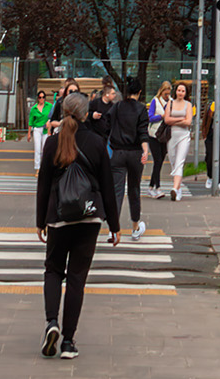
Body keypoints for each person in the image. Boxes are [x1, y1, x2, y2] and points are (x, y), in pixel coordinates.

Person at [35, 93, 116, 361]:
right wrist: (114, 225)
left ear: (63, 110)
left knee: (53, 270)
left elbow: (44, 184)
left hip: (58, 217)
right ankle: (68, 342)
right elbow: (107, 186)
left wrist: (40, 221)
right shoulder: (96, 143)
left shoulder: (52, 142)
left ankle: (51, 323)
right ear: (84, 113)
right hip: (89, 217)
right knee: (77, 278)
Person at [105, 90, 150, 241]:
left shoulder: (117, 107)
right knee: (134, 189)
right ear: (138, 93)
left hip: (118, 153)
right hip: (135, 154)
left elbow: (107, 123)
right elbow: (143, 132)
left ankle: (113, 230)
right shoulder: (142, 108)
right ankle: (135, 227)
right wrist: (145, 150)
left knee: (117, 191)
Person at [162, 84, 194, 204]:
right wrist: (180, 120)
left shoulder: (188, 105)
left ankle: (174, 188)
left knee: (179, 162)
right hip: (171, 136)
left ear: (186, 93)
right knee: (173, 161)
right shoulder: (170, 104)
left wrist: (174, 121)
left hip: (184, 136)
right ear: (175, 92)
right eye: (179, 90)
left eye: (183, 91)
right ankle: (178, 188)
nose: (180, 93)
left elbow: (189, 121)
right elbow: (167, 120)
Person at [145, 88, 171, 199]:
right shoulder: (155, 101)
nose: (167, 96)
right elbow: (150, 117)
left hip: (164, 135)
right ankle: (157, 187)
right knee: (158, 160)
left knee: (159, 162)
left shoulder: (171, 101)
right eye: (165, 94)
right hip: (154, 134)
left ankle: (151, 187)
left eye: (169, 94)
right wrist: (161, 116)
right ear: (161, 92)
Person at [29, 92, 54, 176]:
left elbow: (53, 115)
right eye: (40, 97)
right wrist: (29, 133)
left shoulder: (49, 106)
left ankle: (45, 167)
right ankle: (37, 168)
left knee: (45, 148)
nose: (41, 99)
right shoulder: (34, 108)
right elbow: (31, 121)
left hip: (46, 129)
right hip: (37, 129)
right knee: (37, 148)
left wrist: (49, 121)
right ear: (37, 98)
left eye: (43, 97)